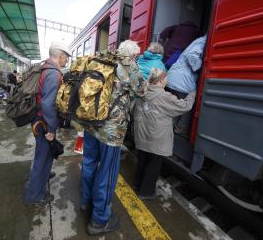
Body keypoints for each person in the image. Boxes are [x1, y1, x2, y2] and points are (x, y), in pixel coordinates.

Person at [80, 40, 147, 235]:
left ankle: (86, 202)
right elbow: (142, 91)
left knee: (89, 164)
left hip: (91, 124)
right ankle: (100, 220)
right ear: (132, 55)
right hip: (110, 131)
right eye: (136, 56)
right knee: (107, 174)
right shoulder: (128, 64)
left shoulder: (102, 58)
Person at [132, 68, 195, 199]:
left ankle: (137, 185)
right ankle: (145, 192)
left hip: (141, 134)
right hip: (156, 137)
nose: (167, 81)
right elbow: (184, 106)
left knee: (142, 160)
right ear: (160, 80)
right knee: (153, 165)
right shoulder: (164, 96)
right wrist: (193, 93)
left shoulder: (141, 91)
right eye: (166, 78)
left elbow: (132, 109)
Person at [24, 40, 71, 205]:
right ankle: (35, 195)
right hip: (43, 121)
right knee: (42, 158)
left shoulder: (44, 67)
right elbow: (47, 104)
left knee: (45, 155)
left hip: (39, 119)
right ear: (61, 55)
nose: (67, 60)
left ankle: (41, 179)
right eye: (66, 57)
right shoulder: (54, 73)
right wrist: (52, 128)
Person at [166, 35, 207, 136]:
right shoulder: (204, 41)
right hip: (182, 80)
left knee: (174, 105)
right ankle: (180, 129)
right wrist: (201, 67)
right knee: (186, 107)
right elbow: (192, 55)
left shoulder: (199, 40)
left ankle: (169, 128)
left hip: (174, 78)